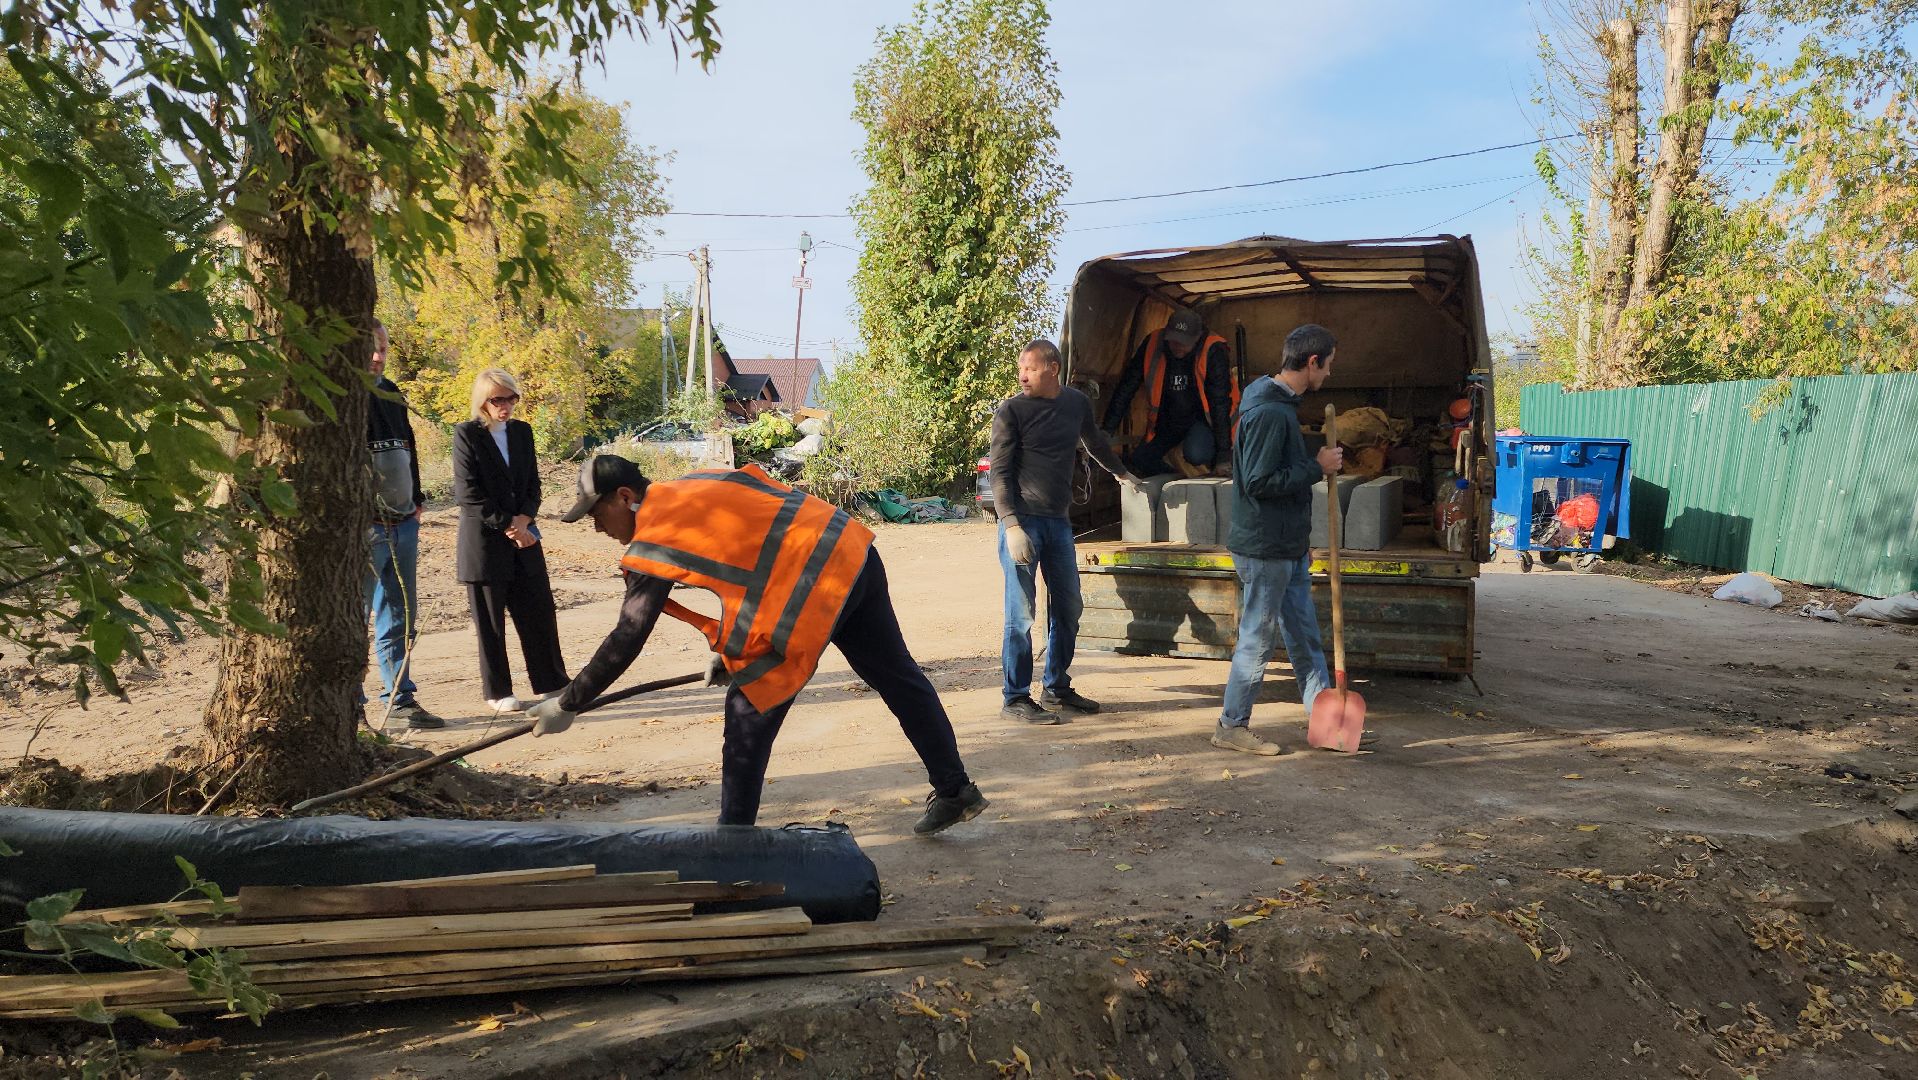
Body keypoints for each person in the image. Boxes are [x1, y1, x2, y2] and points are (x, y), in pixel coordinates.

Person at [527, 455, 989, 835]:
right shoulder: (696, 484)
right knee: (899, 679)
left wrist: (569, 702)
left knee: (749, 708)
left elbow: (628, 635)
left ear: (625, 499)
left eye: (595, 514)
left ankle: (733, 843)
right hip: (849, 550)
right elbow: (750, 556)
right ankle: (955, 791)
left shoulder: (655, 537)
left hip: (814, 584)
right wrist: (727, 646)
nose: (595, 527)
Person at [1212, 323, 1353, 755]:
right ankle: (1231, 726)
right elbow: (1257, 482)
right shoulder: (1270, 413)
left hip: (1287, 546)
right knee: (1257, 637)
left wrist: (1299, 539)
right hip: (1264, 548)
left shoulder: (1278, 405)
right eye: (1326, 366)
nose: (1328, 375)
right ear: (1312, 362)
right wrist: (1318, 466)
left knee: (1305, 636)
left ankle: (1326, 724)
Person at [991, 339, 1142, 725]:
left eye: (1030, 367)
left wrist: (1121, 473)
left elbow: (1093, 441)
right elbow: (1000, 472)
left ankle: (1056, 688)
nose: (1022, 374)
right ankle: (1016, 697)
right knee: (1021, 614)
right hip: (1022, 523)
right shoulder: (1011, 411)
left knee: (1069, 607)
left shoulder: (1074, 404)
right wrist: (1011, 526)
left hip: (1058, 523)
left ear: (1053, 369)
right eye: (1020, 367)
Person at [452, 368, 568, 712]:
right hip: (485, 544)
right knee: (491, 624)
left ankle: (551, 682)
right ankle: (498, 691)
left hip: (525, 537)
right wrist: (508, 526)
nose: (505, 406)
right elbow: (468, 494)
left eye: (511, 398)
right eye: (497, 399)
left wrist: (524, 520)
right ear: (483, 401)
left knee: (539, 612)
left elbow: (533, 484)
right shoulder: (466, 434)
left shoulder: (522, 432)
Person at [362, 320, 443, 729]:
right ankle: (348, 705)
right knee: (353, 617)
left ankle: (399, 700)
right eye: (369, 347)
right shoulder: (341, 397)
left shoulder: (391, 392)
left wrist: (417, 502)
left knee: (398, 612)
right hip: (359, 530)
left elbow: (407, 447)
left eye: (382, 348)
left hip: (402, 522)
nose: (377, 356)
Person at [1101, 307, 1238, 478]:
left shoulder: (1214, 349)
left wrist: (1223, 456)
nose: (1178, 346)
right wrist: (1107, 429)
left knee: (1195, 453)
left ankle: (1206, 468)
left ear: (1198, 338)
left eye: (1184, 342)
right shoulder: (1152, 343)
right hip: (1170, 421)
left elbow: (1220, 404)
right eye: (1174, 340)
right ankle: (1178, 480)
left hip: (1205, 420)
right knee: (1140, 459)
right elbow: (1126, 387)